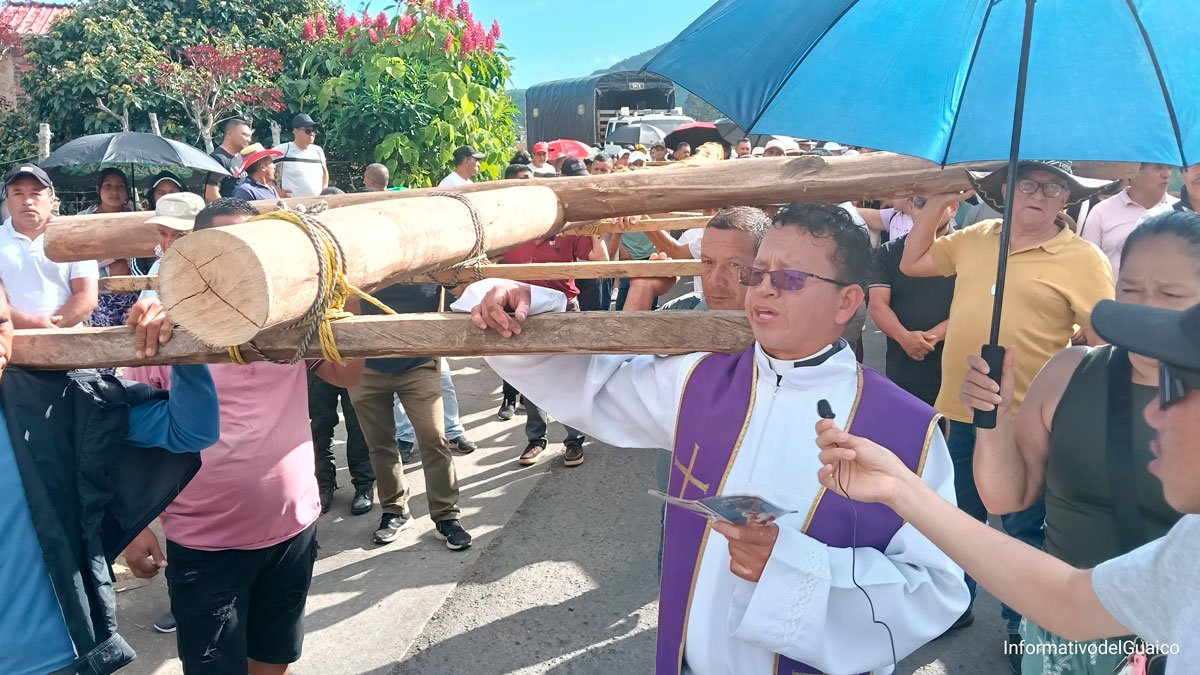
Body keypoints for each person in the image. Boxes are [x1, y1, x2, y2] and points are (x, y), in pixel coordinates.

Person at [457, 203, 968, 674]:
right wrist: (519, 303)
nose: (763, 290)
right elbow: (590, 379)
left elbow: (939, 587)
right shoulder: (697, 380)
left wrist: (797, 569)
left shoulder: (906, 430)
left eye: (789, 278)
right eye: (759, 274)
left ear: (846, 301)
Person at [815, 296, 1200, 675]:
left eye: (1183, 385)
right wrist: (898, 487)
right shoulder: (1191, 546)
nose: (1153, 409)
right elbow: (1067, 601)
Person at [122, 201, 363, 675]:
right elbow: (126, 437)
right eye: (225, 251)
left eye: (253, 250)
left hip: (292, 522)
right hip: (206, 540)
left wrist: (343, 288)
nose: (241, 264)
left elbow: (347, 372)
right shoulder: (161, 331)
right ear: (192, 256)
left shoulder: (287, 320)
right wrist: (134, 528)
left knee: (273, 662)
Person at [961, 211, 1197, 673]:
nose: (1143, 306)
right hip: (1059, 624)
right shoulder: (1071, 371)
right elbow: (1006, 496)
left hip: (1171, 638)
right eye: (1129, 289)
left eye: (1170, 295)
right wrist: (994, 416)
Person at [900, 160, 1117, 656]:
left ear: (1067, 200)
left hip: (1029, 422)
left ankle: (1026, 629)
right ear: (1005, 190)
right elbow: (914, 263)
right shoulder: (978, 237)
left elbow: (1105, 341)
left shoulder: (1083, 259)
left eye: (1053, 188)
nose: (1038, 195)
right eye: (1028, 183)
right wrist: (935, 202)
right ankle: (955, 604)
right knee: (959, 517)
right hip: (959, 407)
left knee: (1025, 528)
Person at [0, 289, 219, 675]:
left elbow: (191, 431)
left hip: (55, 657)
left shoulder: (53, 401)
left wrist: (180, 340)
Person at [347, 284, 474, 550]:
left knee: (433, 438)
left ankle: (446, 515)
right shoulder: (359, 261)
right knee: (379, 444)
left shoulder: (430, 259)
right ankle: (395, 510)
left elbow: (463, 291)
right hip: (366, 365)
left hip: (418, 363)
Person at [495, 188, 610, 467]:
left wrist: (595, 228)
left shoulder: (568, 233)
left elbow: (601, 259)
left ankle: (574, 440)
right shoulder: (511, 235)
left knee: (570, 377)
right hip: (525, 314)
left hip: (564, 309)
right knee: (532, 379)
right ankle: (536, 439)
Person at [869, 196, 957, 406]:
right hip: (903, 368)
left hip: (956, 370)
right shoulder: (888, 252)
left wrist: (933, 336)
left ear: (954, 208)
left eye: (937, 202)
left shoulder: (969, 252)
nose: (929, 209)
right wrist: (904, 338)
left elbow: (977, 306)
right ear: (909, 208)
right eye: (920, 203)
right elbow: (878, 304)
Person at [0, 164, 98, 328]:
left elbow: (87, 294)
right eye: (18, 194)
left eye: (36, 193)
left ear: (52, 199)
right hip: (9, 342)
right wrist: (32, 324)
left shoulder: (73, 237)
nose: (28, 201)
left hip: (67, 339)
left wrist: (53, 327)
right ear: (7, 201)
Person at [1082, 162, 1176, 277]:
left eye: (1170, 167)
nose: (1167, 174)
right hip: (1112, 293)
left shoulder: (1178, 210)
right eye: (1158, 167)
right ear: (1133, 172)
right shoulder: (1102, 211)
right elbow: (1087, 265)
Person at [274, 113, 329, 198]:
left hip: (317, 204)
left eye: (314, 131)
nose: (312, 134)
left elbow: (325, 173)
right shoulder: (284, 150)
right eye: (308, 130)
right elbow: (260, 167)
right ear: (295, 131)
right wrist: (275, 189)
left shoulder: (318, 151)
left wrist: (324, 192)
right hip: (292, 205)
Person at [205, 117, 253, 201]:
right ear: (230, 134)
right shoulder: (218, 159)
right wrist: (227, 212)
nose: (249, 140)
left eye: (249, 136)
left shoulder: (241, 157)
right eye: (245, 135)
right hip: (229, 212)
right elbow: (211, 193)